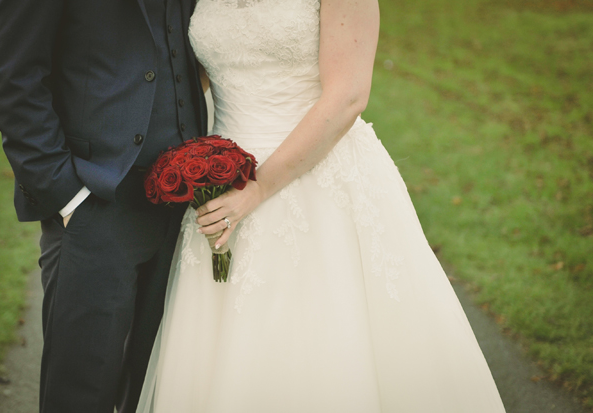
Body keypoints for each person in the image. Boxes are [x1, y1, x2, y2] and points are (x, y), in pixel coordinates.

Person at [136, 0, 507, 411]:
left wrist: (257, 189)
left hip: (315, 181)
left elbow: (348, 95)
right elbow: (191, 74)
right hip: (222, 183)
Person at [0, 0, 207, 411]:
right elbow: (12, 77)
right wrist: (66, 196)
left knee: (158, 390)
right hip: (95, 203)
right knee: (81, 392)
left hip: (183, 210)